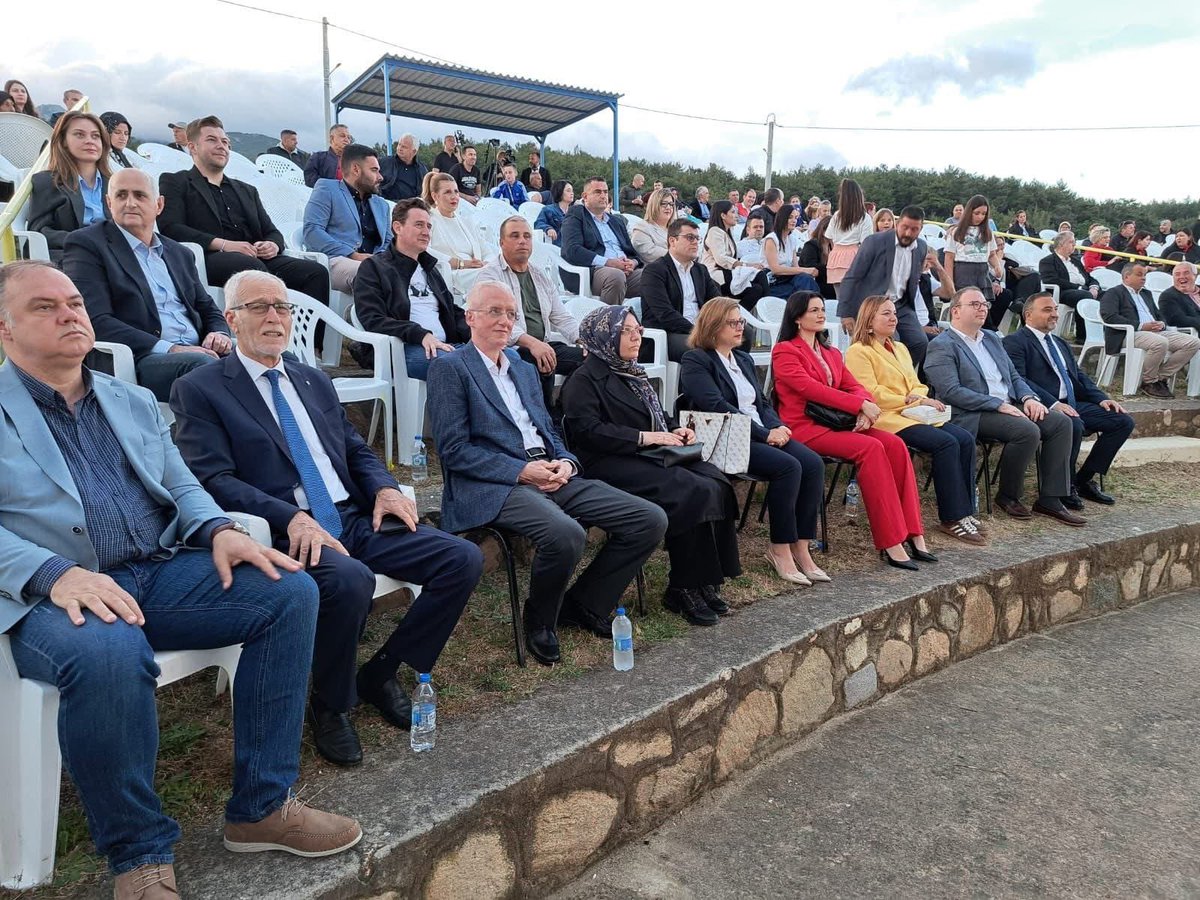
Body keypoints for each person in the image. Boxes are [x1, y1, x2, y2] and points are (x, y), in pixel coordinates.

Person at [0, 261, 361, 895]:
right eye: (44, 307)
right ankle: (138, 854)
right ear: (4, 328)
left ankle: (261, 807)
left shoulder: (130, 399)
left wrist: (220, 530)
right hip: (50, 593)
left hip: (156, 570)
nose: (70, 314)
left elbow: (183, 484)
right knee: (109, 651)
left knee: (290, 592)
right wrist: (54, 573)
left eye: (75, 302)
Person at [170, 270, 481, 767]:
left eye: (282, 306)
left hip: (351, 515)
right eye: (259, 307)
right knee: (350, 581)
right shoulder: (201, 388)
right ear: (231, 319)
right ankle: (331, 704)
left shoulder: (312, 379)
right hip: (283, 530)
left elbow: (354, 448)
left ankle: (382, 672)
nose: (274, 317)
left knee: (461, 559)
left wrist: (383, 487)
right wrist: (289, 517)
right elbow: (214, 478)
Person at [428, 283, 667, 662]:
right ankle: (541, 620)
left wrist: (567, 461)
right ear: (469, 317)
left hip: (551, 471)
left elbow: (549, 429)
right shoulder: (450, 368)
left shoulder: (523, 369)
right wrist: (522, 470)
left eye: (511, 313)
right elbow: (454, 450)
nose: (505, 320)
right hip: (494, 483)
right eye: (494, 311)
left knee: (649, 519)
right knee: (566, 533)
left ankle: (584, 603)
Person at [562, 305, 737, 625]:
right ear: (604, 336)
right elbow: (587, 432)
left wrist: (675, 429)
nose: (636, 337)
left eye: (638, 330)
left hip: (644, 455)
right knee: (688, 489)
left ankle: (705, 580)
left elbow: (656, 416)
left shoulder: (633, 372)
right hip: (605, 462)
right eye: (626, 331)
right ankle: (682, 587)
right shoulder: (583, 379)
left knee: (714, 479)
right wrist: (645, 437)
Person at [771, 291, 931, 569]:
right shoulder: (785, 350)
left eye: (822, 309)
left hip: (836, 422)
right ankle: (891, 541)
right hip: (805, 427)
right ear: (797, 317)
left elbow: (854, 385)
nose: (821, 314)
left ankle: (914, 533)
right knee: (871, 448)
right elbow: (810, 389)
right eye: (813, 310)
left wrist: (864, 406)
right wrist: (859, 405)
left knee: (894, 444)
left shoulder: (832, 353)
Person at [680, 299, 829, 582]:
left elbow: (761, 402)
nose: (740, 327)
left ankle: (801, 546)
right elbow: (716, 405)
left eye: (741, 322)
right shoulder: (696, 360)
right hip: (728, 438)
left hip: (759, 432)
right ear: (713, 326)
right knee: (788, 467)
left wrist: (777, 426)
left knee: (812, 464)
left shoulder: (743, 359)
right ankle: (779, 549)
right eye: (733, 323)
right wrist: (764, 433)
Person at [62, 167, 232, 401]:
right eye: (121, 195)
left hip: (200, 351)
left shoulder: (179, 253)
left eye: (140, 195)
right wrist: (170, 348)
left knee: (271, 356)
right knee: (205, 367)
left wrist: (218, 333)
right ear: (109, 203)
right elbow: (94, 319)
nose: (130, 203)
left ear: (158, 205)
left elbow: (207, 306)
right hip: (142, 358)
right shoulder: (87, 244)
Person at [924, 288, 1083, 525]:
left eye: (984, 304)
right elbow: (951, 392)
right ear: (955, 311)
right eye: (975, 304)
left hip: (1009, 404)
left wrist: (1028, 398)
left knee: (1060, 423)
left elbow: (1014, 376)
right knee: (1026, 430)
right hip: (971, 412)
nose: (982, 308)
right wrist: (997, 405)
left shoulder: (991, 338)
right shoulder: (942, 345)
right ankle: (1009, 495)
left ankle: (1050, 498)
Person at [845, 296, 984, 545]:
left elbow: (916, 383)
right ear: (869, 320)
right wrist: (911, 401)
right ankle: (952, 517)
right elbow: (870, 392)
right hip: (886, 417)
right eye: (886, 314)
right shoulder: (858, 351)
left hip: (913, 412)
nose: (893, 318)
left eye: (894, 313)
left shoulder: (899, 348)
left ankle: (965, 511)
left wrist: (920, 397)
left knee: (963, 438)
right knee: (945, 443)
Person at [158, 116, 330, 302]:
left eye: (225, 142)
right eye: (212, 140)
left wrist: (272, 245)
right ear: (192, 147)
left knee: (315, 272)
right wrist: (224, 244)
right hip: (209, 257)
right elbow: (170, 227)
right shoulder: (176, 181)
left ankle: (300, 323)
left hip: (255, 257)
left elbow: (271, 231)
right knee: (252, 269)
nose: (221, 146)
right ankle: (265, 320)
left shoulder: (247, 190)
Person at [1004, 292, 1133, 507]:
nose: (1055, 314)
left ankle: (1082, 480)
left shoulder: (1059, 342)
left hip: (1073, 403)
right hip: (1042, 406)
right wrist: (1053, 404)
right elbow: (1020, 379)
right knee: (1072, 423)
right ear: (1028, 315)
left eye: (1055, 309)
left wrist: (1101, 399)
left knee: (1122, 421)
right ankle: (1064, 486)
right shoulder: (1015, 342)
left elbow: (1078, 375)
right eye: (1047, 310)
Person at [354, 198, 470, 380]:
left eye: (429, 226)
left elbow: (452, 311)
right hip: (402, 349)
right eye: (419, 225)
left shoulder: (430, 269)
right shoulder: (374, 268)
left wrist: (480, 334)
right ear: (397, 227)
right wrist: (420, 334)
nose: (426, 232)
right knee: (454, 366)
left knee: (508, 356)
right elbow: (372, 319)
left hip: (446, 347)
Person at [477, 215, 584, 409]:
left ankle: (565, 413)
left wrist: (585, 341)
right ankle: (544, 417)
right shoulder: (490, 275)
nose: (522, 241)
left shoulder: (539, 275)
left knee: (591, 359)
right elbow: (496, 322)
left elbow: (561, 317)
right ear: (501, 242)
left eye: (527, 236)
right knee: (540, 359)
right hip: (509, 349)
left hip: (543, 345)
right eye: (515, 236)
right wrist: (532, 343)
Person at [837, 205, 931, 365]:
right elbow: (852, 277)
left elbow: (914, 282)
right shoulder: (874, 242)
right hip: (874, 306)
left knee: (920, 342)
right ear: (897, 223)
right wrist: (845, 313)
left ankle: (903, 375)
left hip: (901, 305)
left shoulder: (921, 247)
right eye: (905, 227)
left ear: (921, 229)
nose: (908, 233)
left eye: (914, 229)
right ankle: (889, 376)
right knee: (892, 342)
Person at [1098, 263, 1200, 398]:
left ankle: (1160, 377)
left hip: (1155, 332)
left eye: (1145, 275)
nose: (1144, 278)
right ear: (1127, 277)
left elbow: (1158, 314)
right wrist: (1141, 326)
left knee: (1193, 342)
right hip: (1129, 333)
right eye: (1139, 275)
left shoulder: (1146, 293)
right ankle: (1149, 381)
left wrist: (1161, 323)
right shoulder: (1114, 293)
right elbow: (1109, 316)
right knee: (1160, 342)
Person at [301, 143, 390, 292]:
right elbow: (312, 232)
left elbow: (388, 241)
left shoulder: (382, 205)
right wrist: (353, 255)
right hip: (338, 259)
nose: (380, 177)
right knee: (372, 274)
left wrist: (379, 258)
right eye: (374, 170)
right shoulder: (327, 189)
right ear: (356, 169)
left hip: (375, 263)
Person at [28, 111, 112, 262]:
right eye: (79, 135)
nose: (90, 141)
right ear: (63, 141)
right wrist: (81, 240)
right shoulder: (46, 181)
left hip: (113, 255)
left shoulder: (115, 183)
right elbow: (39, 230)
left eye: (95, 136)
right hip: (73, 256)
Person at [641, 219, 721, 360]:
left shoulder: (700, 270)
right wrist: (698, 331)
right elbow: (664, 314)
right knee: (702, 350)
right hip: (669, 334)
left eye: (697, 238)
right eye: (690, 237)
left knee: (744, 334)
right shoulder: (655, 271)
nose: (695, 242)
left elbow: (716, 303)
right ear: (672, 241)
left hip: (700, 330)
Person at [561, 177, 644, 305]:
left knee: (655, 275)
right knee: (616, 276)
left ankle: (650, 318)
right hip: (593, 272)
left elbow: (632, 253)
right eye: (597, 192)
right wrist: (609, 262)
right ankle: (609, 317)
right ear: (585, 196)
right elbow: (572, 249)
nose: (603, 195)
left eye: (605, 192)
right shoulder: (576, 214)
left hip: (625, 271)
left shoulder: (616, 221)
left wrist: (632, 262)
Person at [426, 172, 489, 299]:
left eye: (456, 191)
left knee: (502, 271)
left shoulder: (467, 221)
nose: (454, 196)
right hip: (451, 275)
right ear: (435, 196)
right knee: (493, 277)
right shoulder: (429, 221)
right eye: (447, 192)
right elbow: (425, 250)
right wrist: (461, 263)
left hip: (477, 271)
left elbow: (486, 250)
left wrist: (486, 263)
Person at [703, 199, 770, 306]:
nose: (736, 215)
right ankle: (768, 306)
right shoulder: (715, 231)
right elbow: (721, 259)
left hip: (728, 273)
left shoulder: (728, 232)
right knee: (760, 275)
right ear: (723, 215)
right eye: (733, 212)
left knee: (756, 289)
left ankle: (738, 314)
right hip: (717, 276)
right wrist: (746, 265)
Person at [1037, 231, 1097, 343]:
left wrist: (1094, 287)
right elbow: (1051, 280)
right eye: (1071, 242)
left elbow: (1088, 277)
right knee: (1084, 296)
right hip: (1063, 292)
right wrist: (1078, 287)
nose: (1074, 245)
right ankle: (1082, 336)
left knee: (1109, 295)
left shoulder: (1075, 261)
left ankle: (1103, 335)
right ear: (1061, 244)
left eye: (1074, 242)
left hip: (1084, 290)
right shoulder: (1048, 261)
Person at [944, 194, 1002, 300]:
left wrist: (997, 266)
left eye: (984, 214)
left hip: (982, 273)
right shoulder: (956, 231)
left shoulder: (988, 232)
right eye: (977, 213)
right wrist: (950, 283)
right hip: (963, 272)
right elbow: (949, 258)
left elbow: (992, 254)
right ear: (969, 212)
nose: (980, 217)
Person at [823, 179, 873, 295]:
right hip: (855, 256)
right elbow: (867, 243)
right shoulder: (864, 217)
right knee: (857, 299)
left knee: (840, 299)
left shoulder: (836, 216)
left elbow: (829, 236)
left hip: (836, 257)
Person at [763, 205, 820, 299]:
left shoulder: (792, 239)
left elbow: (795, 267)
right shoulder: (771, 239)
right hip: (773, 280)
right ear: (782, 218)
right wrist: (805, 270)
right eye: (790, 217)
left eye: (796, 218)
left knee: (805, 280)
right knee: (802, 289)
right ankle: (812, 303)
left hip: (788, 278)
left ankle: (813, 303)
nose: (794, 221)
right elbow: (775, 269)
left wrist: (805, 271)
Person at [630, 188, 676, 263]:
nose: (668, 207)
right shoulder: (642, 228)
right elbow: (650, 253)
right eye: (663, 204)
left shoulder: (677, 229)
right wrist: (681, 255)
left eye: (671, 204)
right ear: (654, 205)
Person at [378, 133, 428, 202]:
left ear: (414, 151)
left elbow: (425, 192)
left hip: (412, 206)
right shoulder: (383, 163)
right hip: (387, 204)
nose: (400, 148)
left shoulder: (422, 169)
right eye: (399, 144)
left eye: (404, 147)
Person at [797, 214, 835, 299]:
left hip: (826, 279)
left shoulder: (832, 246)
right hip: (813, 281)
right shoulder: (811, 245)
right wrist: (830, 268)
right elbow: (810, 265)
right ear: (823, 229)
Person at [1158, 262, 1200, 330]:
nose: (1182, 277)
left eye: (1186, 273)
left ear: (1195, 276)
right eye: (1177, 274)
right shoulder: (1167, 296)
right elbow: (1177, 320)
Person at [534, 180, 573, 245]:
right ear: (560, 192)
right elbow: (538, 223)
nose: (572, 193)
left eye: (572, 191)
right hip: (556, 246)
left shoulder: (575, 212)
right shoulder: (548, 210)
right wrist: (548, 229)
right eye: (568, 191)